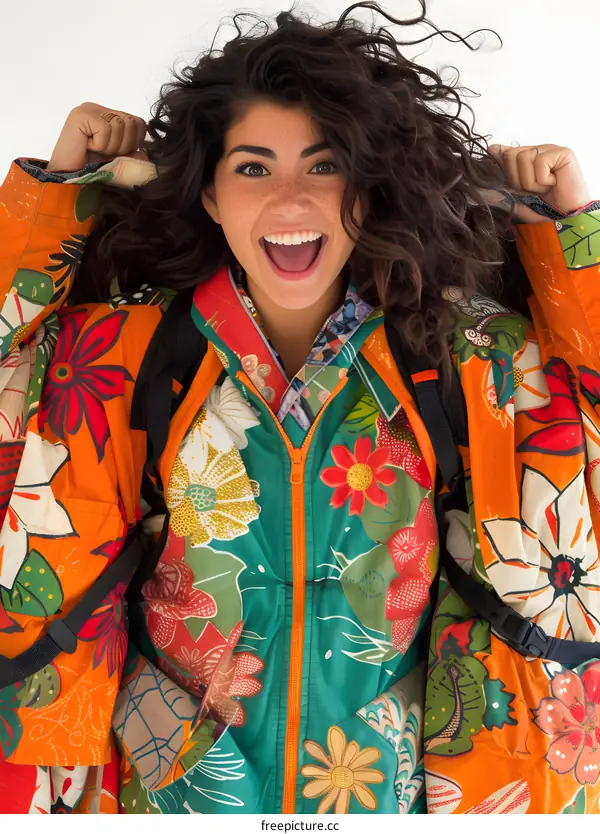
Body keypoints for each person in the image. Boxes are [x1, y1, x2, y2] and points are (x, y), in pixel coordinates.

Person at [0, 0, 599, 815]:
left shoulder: (462, 357)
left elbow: (586, 409)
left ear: (368, 192)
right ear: (210, 195)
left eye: (324, 167)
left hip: (386, 796)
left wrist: (566, 232)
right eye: (253, 168)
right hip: (174, 795)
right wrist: (60, 193)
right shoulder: (130, 352)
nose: (289, 201)